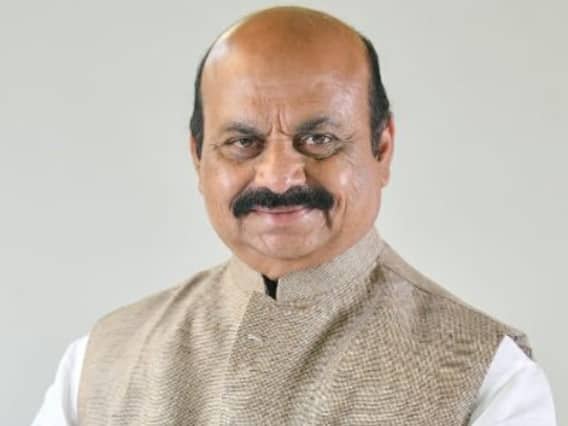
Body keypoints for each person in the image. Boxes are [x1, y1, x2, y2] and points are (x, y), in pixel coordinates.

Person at [33, 6, 556, 425]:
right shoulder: (100, 361)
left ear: (382, 149)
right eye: (242, 142)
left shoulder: (486, 375)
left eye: (320, 139)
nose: (280, 177)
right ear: (198, 157)